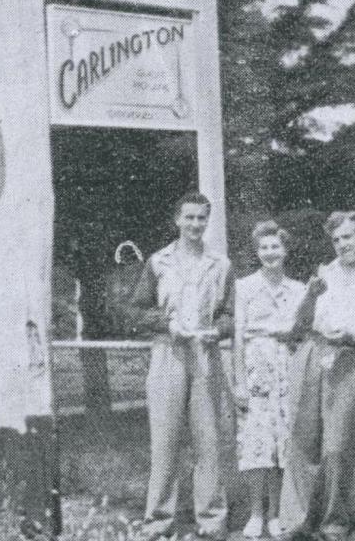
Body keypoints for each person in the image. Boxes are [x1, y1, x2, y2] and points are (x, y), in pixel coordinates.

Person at [279, 211, 355, 541]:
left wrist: (353, 335)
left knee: (337, 446)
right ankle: (298, 521)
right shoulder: (325, 274)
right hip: (313, 354)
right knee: (302, 440)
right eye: (336, 240)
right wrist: (310, 294)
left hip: (350, 359)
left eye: (347, 237)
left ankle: (334, 522)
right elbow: (302, 324)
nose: (341, 245)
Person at [135, 192, 234, 541]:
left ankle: (211, 521)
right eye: (189, 218)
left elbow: (230, 314)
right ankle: (158, 522)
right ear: (177, 219)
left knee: (208, 440)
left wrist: (217, 330)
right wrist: (166, 324)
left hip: (205, 355)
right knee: (165, 441)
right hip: (168, 354)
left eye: (201, 218)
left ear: (208, 221)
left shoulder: (220, 264)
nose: (195, 225)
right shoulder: (158, 261)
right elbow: (137, 310)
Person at [232, 221, 306, 539]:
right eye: (263, 247)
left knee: (281, 445)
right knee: (254, 444)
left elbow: (301, 334)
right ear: (257, 252)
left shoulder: (299, 290)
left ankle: (276, 514)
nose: (269, 253)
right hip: (255, 368)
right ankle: (255, 513)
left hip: (287, 369)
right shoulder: (244, 287)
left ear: (285, 250)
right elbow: (237, 336)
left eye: (275, 246)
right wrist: (239, 381)